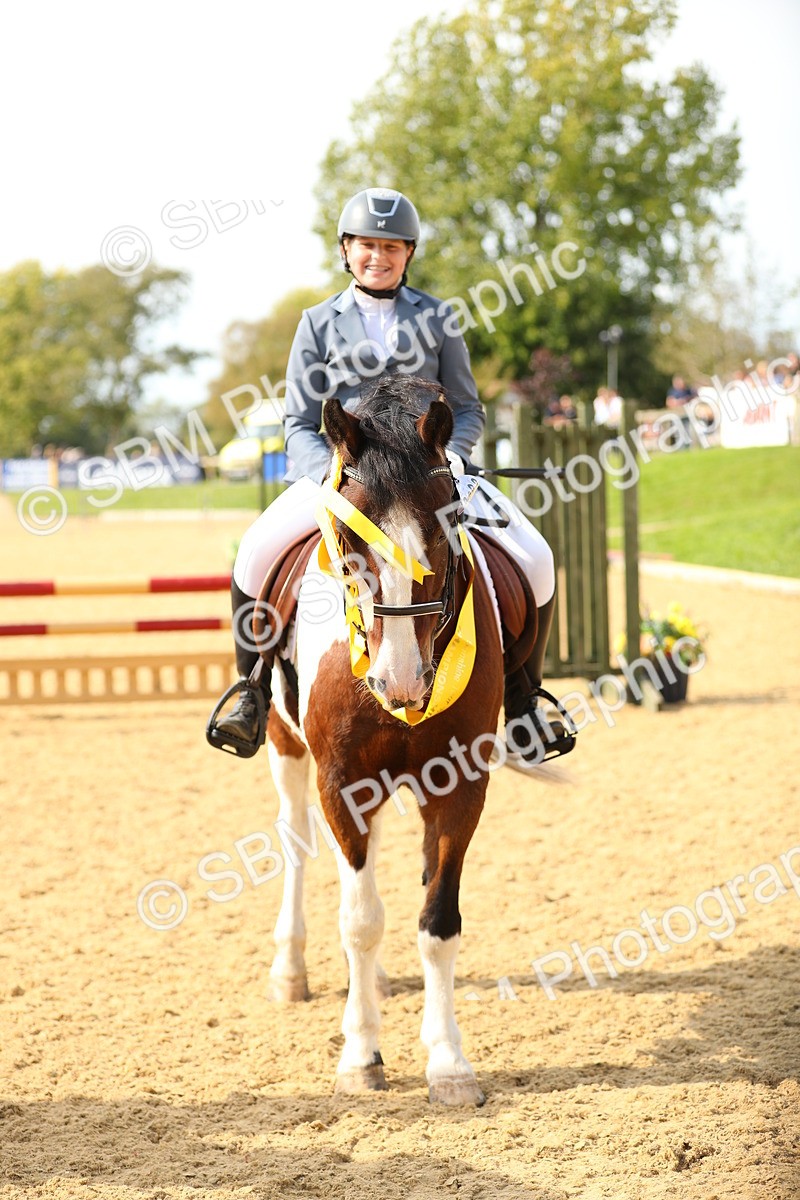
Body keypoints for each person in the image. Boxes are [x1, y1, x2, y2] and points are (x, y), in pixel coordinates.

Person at [207, 187, 574, 764]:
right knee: (255, 551)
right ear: (347, 250)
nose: (378, 256)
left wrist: (450, 456)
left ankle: (527, 700)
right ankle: (249, 692)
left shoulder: (438, 317)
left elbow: (469, 408)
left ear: (408, 253)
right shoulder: (316, 323)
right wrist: (327, 473)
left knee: (535, 555)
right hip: (348, 480)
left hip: (429, 479)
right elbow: (300, 421)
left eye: (391, 247)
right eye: (367, 245)